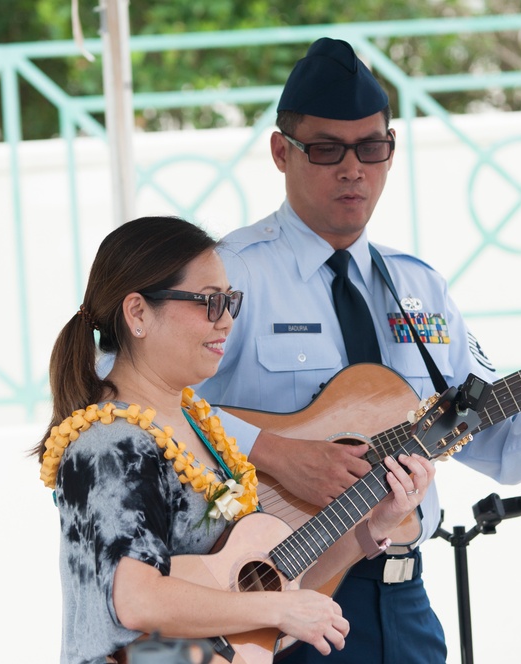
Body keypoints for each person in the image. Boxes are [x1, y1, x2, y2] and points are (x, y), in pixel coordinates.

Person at [195, 38, 521, 663]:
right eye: (328, 149)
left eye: (372, 147)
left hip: (402, 596)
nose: (353, 169)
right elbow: (129, 400)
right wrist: (278, 454)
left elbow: (495, 437)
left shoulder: (419, 286)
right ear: (282, 152)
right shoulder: (228, 274)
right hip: (272, 594)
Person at [33, 215, 435, 664]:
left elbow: (274, 578)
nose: (226, 321)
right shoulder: (109, 442)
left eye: (230, 301)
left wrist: (375, 523)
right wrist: (280, 607)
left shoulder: (201, 428)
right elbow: (137, 599)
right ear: (138, 313)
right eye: (208, 302)